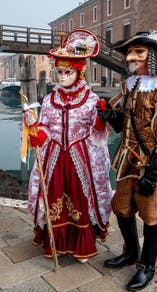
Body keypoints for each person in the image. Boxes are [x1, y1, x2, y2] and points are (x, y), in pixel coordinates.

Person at [97, 28, 157, 291]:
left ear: (151, 56)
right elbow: (125, 123)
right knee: (121, 207)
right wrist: (112, 117)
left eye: (138, 52)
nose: (130, 56)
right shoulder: (129, 85)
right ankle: (131, 252)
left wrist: (153, 174)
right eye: (129, 52)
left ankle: (147, 265)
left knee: (152, 215)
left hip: (152, 164)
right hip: (126, 159)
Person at [27, 29, 112, 263]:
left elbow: (97, 133)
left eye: (68, 72)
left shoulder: (91, 99)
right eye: (60, 72)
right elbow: (45, 124)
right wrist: (40, 137)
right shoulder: (49, 99)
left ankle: (81, 244)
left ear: (79, 72)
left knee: (80, 199)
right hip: (54, 157)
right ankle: (56, 241)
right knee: (53, 197)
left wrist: (99, 120)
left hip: (79, 159)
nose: (62, 77)